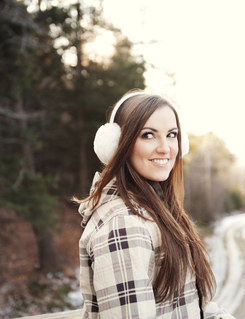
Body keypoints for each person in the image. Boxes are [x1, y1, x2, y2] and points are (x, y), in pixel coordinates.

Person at [75, 90, 235, 319]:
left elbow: (185, 305)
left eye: (172, 135)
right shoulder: (123, 225)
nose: (165, 148)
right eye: (148, 135)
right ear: (118, 144)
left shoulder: (154, 210)